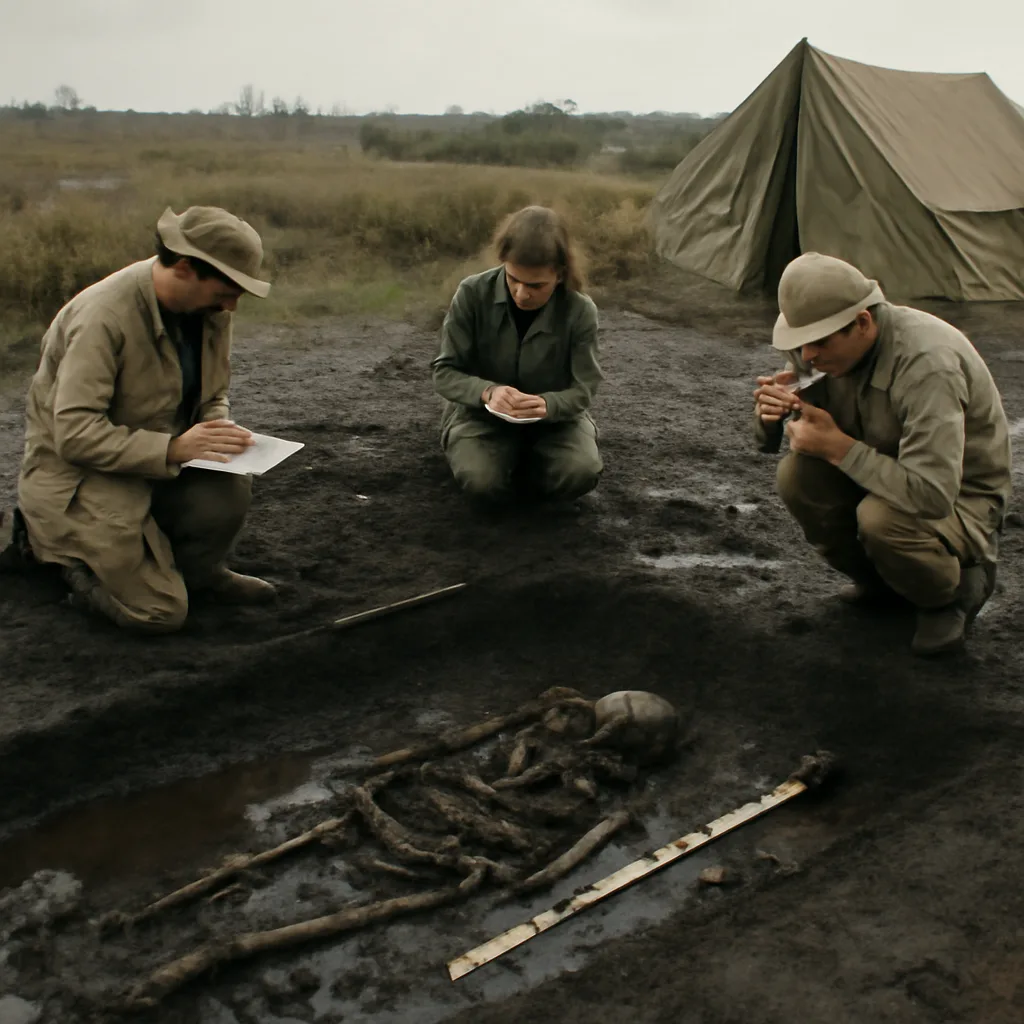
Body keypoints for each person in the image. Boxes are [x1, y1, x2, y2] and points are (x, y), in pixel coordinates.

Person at [1, 206, 276, 633]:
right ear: (185, 268)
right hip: (80, 478)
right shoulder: (102, 318)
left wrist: (217, 429)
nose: (233, 305)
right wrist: (173, 448)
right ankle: (50, 554)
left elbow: (213, 393)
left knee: (228, 483)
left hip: (153, 461)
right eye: (227, 289)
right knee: (160, 613)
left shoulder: (209, 311)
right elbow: (72, 436)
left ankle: (197, 573)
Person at [754, 252, 1011, 656]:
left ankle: (953, 592)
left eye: (819, 343)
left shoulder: (927, 364)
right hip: (880, 473)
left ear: (862, 323)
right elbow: (772, 437)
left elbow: (932, 494)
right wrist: (771, 416)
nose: (806, 357)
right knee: (797, 477)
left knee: (881, 520)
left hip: (960, 498)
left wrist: (838, 448)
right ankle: (883, 583)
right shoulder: (819, 344)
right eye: (800, 343)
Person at [431, 206, 603, 503]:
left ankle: (527, 466)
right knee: (481, 482)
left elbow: (584, 388)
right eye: (513, 280)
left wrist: (549, 404)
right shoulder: (472, 294)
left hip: (555, 422)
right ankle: (498, 461)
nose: (522, 294)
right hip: (480, 417)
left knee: (580, 473)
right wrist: (487, 392)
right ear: (503, 263)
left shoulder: (579, 310)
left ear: (560, 274)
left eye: (536, 285)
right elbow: (444, 373)